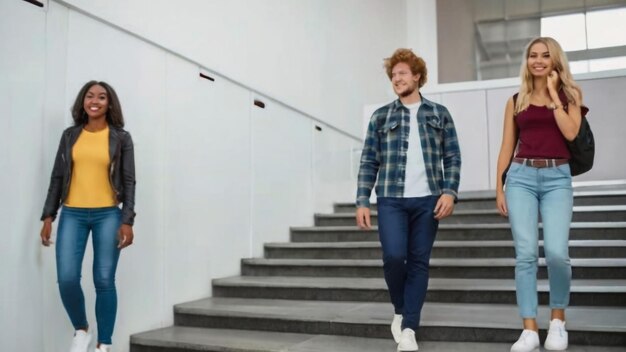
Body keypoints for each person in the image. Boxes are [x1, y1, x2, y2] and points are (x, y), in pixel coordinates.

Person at [355, 48, 461, 351]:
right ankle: (400, 309)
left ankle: (410, 327)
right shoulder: (381, 116)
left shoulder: (439, 114)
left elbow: (452, 156)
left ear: (417, 76)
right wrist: (363, 199)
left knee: (418, 262)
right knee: (393, 256)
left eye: (402, 73)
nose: (396, 78)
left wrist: (450, 192)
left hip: (429, 200)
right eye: (393, 75)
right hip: (391, 198)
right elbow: (368, 162)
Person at [496, 37, 587, 352]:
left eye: (545, 56)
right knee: (525, 256)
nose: (538, 60)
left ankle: (558, 321)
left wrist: (552, 95)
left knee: (557, 253)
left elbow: (571, 132)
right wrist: (499, 186)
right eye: (533, 55)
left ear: (554, 60)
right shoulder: (516, 99)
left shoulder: (569, 95)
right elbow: (507, 146)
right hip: (520, 177)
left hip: (557, 177)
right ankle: (530, 329)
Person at [40, 80, 136, 352]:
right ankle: (82, 329)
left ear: (109, 103)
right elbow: (58, 177)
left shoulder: (121, 138)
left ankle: (103, 344)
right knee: (67, 278)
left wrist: (127, 220)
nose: (95, 100)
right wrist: (48, 216)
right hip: (72, 214)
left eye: (102, 97)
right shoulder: (70, 135)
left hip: (109, 215)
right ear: (83, 101)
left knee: (104, 280)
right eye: (90, 96)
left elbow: (129, 181)